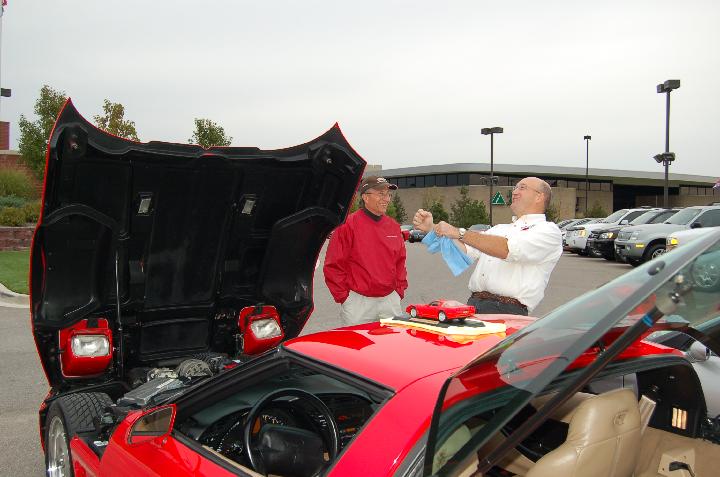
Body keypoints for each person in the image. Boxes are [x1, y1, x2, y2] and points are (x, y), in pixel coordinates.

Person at [413, 176, 562, 316]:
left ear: (539, 197)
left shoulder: (548, 231)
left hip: (508, 311)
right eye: (515, 187)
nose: (515, 192)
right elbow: (467, 251)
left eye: (522, 188)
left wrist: (458, 232)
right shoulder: (499, 229)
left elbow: (508, 249)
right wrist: (433, 228)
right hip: (474, 305)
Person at [324, 176, 408, 325]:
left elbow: (400, 263)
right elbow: (333, 265)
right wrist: (345, 298)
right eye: (381, 194)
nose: (386, 199)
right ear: (365, 197)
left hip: (390, 302)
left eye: (388, 194)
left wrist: (398, 291)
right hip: (358, 304)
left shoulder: (394, 227)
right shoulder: (347, 226)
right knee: (357, 341)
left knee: (391, 340)